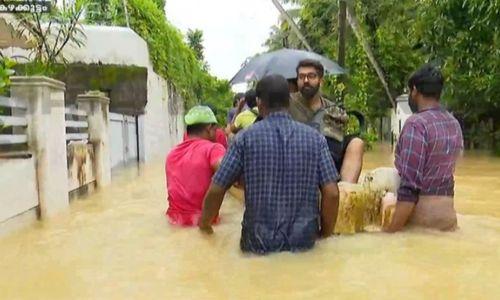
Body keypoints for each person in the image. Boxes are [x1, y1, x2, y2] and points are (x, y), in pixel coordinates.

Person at [199, 75, 340, 254]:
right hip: (303, 243)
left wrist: (204, 226)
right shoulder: (315, 139)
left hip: (257, 244)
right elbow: (332, 193)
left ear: (259, 102)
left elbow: (217, 189)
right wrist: (324, 235)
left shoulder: (244, 139)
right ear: (289, 99)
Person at [384, 64, 463, 233]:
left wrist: (390, 232)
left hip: (423, 223)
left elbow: (410, 188)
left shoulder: (416, 124)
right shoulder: (453, 123)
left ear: (414, 90)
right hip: (449, 221)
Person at [289, 59, 364, 183]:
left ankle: (344, 194)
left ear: (321, 81)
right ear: (297, 81)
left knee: (357, 143)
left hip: (327, 161)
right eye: (301, 77)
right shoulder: (286, 103)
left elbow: (336, 147)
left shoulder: (333, 109)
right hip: (296, 159)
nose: (306, 80)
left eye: (311, 76)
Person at [165, 105, 226, 226]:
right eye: (215, 128)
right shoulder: (213, 149)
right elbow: (226, 174)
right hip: (203, 224)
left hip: (173, 222)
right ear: (209, 127)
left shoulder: (172, 154)